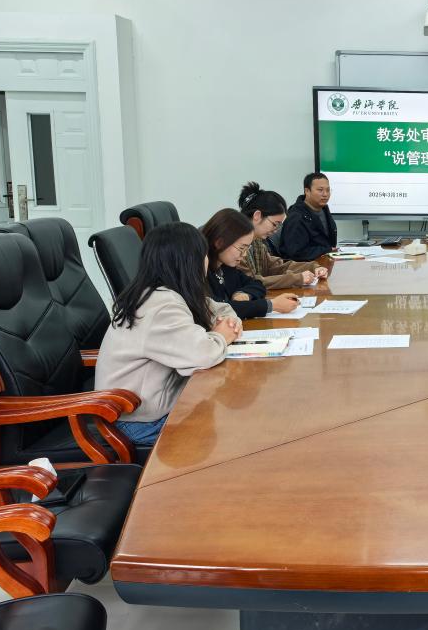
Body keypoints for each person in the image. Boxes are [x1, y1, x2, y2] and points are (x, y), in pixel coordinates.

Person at [94, 222, 242, 445]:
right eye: (204, 255)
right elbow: (202, 355)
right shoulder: (161, 306)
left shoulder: (161, 293)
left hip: (153, 408)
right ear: (190, 261)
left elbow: (220, 309)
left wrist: (228, 324)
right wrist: (221, 336)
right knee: (232, 429)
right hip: (137, 422)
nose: (207, 260)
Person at [202, 208, 300, 319]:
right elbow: (219, 309)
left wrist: (244, 293)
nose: (244, 255)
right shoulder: (200, 271)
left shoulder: (226, 266)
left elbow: (257, 284)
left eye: (246, 249)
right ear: (219, 243)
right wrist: (272, 305)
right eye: (241, 248)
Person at [237, 181, 329, 289]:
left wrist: (313, 267)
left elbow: (277, 266)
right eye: (274, 224)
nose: (276, 230)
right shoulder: (236, 244)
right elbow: (251, 282)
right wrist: (296, 279)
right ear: (257, 216)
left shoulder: (257, 242)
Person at [278, 172, 337, 262]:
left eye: (328, 190)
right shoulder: (296, 217)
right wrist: (327, 250)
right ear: (307, 191)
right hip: (303, 266)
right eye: (320, 190)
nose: (325, 194)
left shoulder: (324, 209)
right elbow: (295, 253)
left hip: (324, 261)